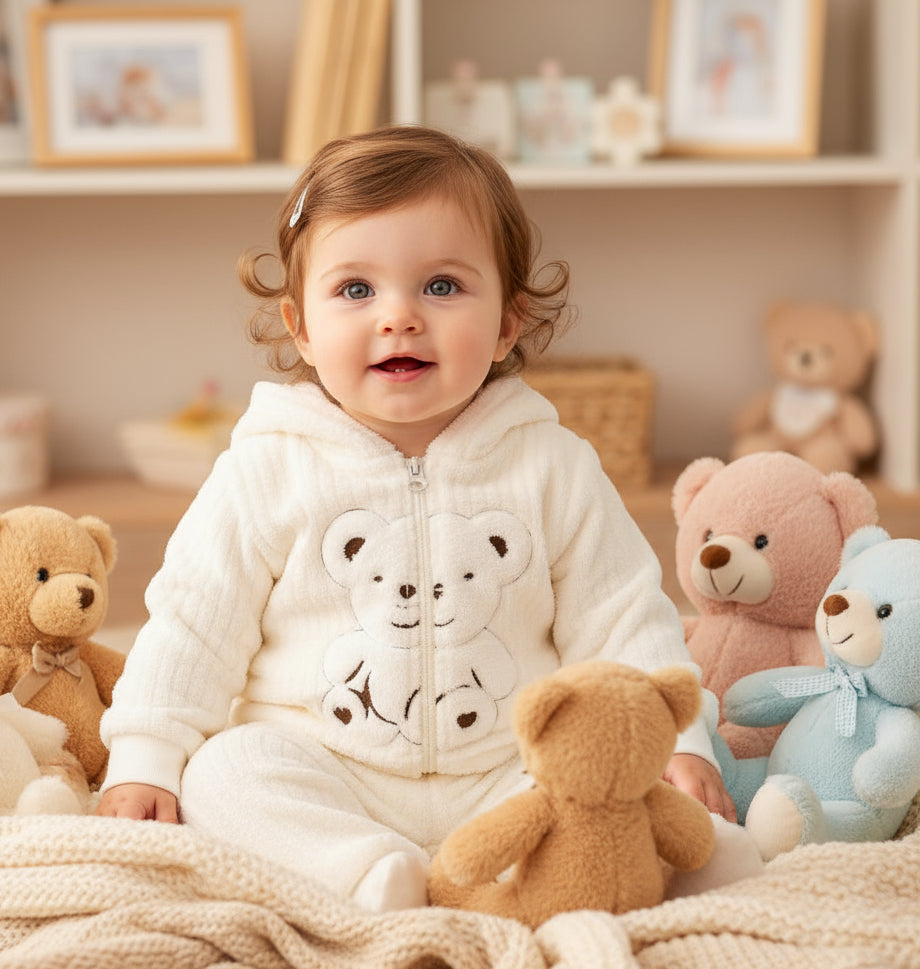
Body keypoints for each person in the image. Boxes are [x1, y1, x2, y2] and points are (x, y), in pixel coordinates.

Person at [97, 125, 735, 912]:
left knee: (610, 783)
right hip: (325, 763)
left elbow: (623, 615)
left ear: (508, 322)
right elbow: (193, 623)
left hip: (512, 768)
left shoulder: (552, 465)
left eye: (441, 286)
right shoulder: (266, 468)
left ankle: (529, 867)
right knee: (224, 774)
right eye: (356, 290)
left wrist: (677, 741)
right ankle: (365, 871)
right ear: (301, 326)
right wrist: (145, 758)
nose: (398, 316)